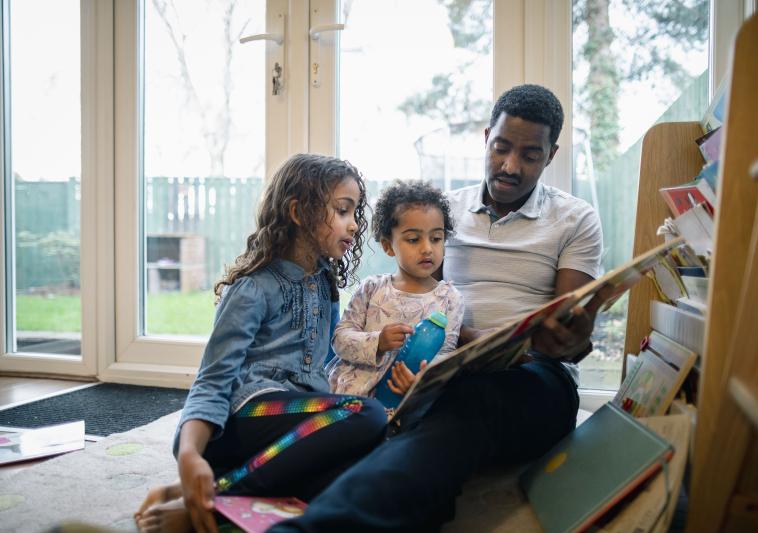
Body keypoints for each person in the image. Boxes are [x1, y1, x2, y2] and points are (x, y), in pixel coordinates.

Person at [270, 84, 604, 532]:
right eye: (501, 147)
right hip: (444, 363)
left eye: (530, 155)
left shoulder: (575, 218)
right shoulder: (444, 212)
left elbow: (570, 327)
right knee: (375, 418)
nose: (509, 166)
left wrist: (572, 340)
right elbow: (425, 298)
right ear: (486, 137)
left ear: (551, 154)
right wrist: (454, 349)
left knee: (461, 410)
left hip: (533, 378)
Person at [135, 154, 388, 533]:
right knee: (365, 413)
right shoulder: (253, 288)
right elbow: (212, 381)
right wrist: (189, 453)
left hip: (293, 429)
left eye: (355, 212)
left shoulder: (324, 283)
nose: (354, 224)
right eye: (342, 210)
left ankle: (203, 493)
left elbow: (327, 363)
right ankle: (215, 499)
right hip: (245, 420)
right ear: (298, 212)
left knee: (364, 466)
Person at [326, 180, 465, 409]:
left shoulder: (450, 299)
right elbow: (339, 340)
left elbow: (446, 354)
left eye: (436, 238)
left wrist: (423, 379)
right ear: (388, 246)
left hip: (405, 402)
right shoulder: (371, 289)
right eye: (413, 239)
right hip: (348, 397)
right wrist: (378, 342)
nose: (427, 248)